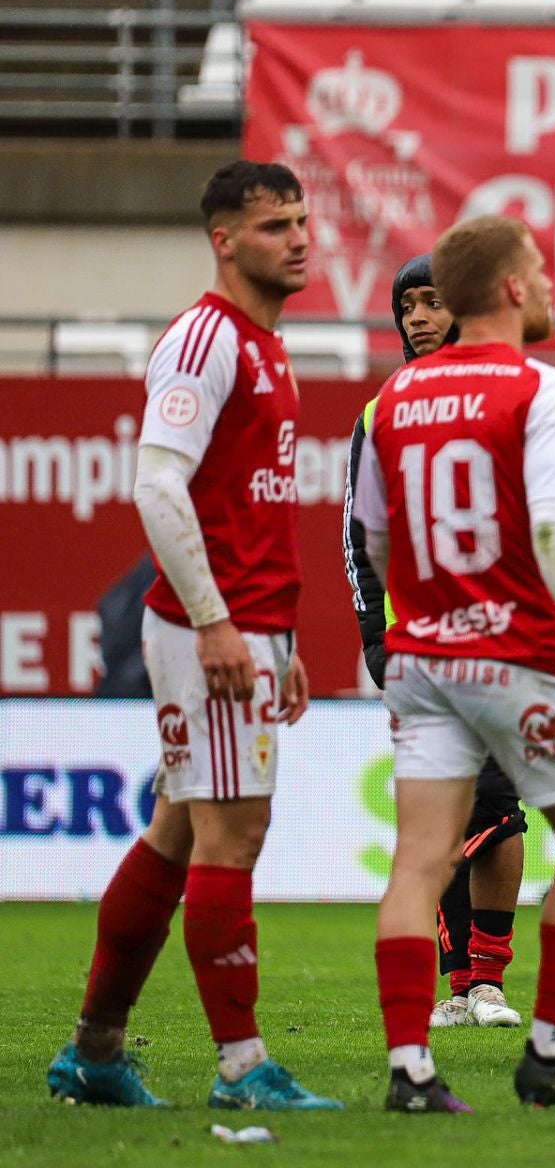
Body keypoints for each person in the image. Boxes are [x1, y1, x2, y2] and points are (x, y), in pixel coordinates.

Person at [46, 160, 340, 1111]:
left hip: (248, 628)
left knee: (178, 833)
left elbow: (247, 509)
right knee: (232, 833)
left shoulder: (267, 344)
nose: (296, 239)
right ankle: (244, 1068)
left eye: (300, 221)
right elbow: (157, 483)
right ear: (223, 240)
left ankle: (94, 1054)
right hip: (210, 631)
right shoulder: (206, 339)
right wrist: (218, 624)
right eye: (271, 227)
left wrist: (281, 641)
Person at [354, 215, 555, 1114]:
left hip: (424, 652)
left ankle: (410, 1071)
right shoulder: (540, 387)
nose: (552, 289)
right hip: (519, 650)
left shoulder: (391, 402)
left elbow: (370, 536)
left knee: (418, 860)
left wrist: (422, 613)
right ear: (513, 288)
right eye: (543, 274)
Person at [344, 253, 529, 1030]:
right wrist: (373, 635)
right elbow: (358, 536)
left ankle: (481, 980)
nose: (417, 317)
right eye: (407, 305)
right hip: (418, 647)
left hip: (499, 637)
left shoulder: (507, 393)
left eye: (432, 302)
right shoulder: (378, 411)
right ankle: (465, 987)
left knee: (491, 807)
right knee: (448, 814)